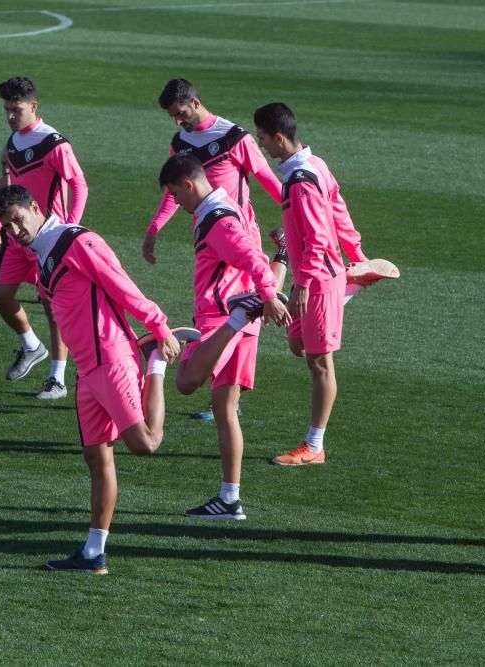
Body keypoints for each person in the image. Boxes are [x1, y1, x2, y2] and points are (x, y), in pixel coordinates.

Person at [0, 185, 195, 574]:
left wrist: (159, 326)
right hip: (87, 370)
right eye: (8, 226)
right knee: (96, 458)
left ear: (36, 208)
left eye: (18, 220)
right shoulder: (40, 251)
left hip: (112, 357)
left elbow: (121, 285)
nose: (15, 231)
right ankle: (93, 553)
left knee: (144, 444)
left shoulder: (77, 242)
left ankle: (154, 361)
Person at [252, 102, 392, 467]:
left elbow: (316, 239)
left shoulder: (300, 180)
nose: (261, 143)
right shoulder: (316, 165)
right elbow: (338, 210)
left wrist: (302, 286)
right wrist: (356, 253)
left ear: (279, 137)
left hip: (317, 280)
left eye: (263, 137)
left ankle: (314, 446)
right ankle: (350, 285)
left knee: (320, 364)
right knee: (297, 345)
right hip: (318, 276)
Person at [145, 79, 289, 421]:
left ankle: (226, 398)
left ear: (196, 102)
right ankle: (225, 398)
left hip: (239, 235)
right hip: (210, 235)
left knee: (234, 309)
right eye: (172, 117)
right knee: (236, 310)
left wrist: (296, 216)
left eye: (180, 113)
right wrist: (155, 227)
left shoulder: (233, 137)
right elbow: (173, 187)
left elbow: (268, 180)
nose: (178, 122)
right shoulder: (180, 141)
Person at [158, 154, 289, 520]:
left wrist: (262, 299)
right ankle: (230, 499)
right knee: (223, 408)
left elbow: (250, 258)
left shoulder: (215, 219)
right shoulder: (228, 204)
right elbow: (256, 254)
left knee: (185, 381)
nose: (177, 203)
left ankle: (242, 313)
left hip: (223, 319)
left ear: (188, 184)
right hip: (241, 314)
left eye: (175, 194)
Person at [0, 76, 89, 400]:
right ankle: (32, 345)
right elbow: (10, 190)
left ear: (33, 106)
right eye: (6, 110)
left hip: (47, 237)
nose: (10, 116)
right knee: (0, 296)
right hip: (18, 237)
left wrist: (69, 229)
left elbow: (79, 185)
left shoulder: (54, 144)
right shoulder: (14, 141)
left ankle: (57, 379)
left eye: (16, 109)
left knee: (52, 305)